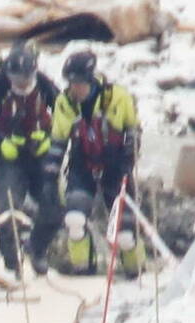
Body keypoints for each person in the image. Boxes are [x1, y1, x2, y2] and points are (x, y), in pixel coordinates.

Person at [0, 45, 61, 267]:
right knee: (7, 208)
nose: (21, 83)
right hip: (8, 157)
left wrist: (49, 137)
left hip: (39, 154)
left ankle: (37, 250)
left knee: (53, 206)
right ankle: (12, 262)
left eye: (25, 78)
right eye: (16, 78)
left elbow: (64, 114)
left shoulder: (45, 85)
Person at [51, 50, 141, 220]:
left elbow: (133, 130)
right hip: (82, 167)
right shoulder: (64, 103)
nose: (74, 88)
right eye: (71, 83)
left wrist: (128, 157)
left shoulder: (117, 96)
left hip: (116, 167)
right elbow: (58, 140)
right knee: (74, 221)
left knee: (125, 233)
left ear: (90, 80)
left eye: (79, 83)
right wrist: (50, 174)